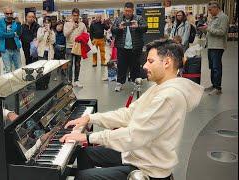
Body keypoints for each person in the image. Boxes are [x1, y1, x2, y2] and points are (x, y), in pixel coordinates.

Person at [59, 39, 204, 180]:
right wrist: (91, 118)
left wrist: (89, 137)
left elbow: (134, 136)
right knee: (85, 154)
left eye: (150, 61)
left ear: (167, 62)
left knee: (82, 177)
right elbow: (129, 114)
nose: (145, 66)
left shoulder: (170, 96)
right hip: (139, 154)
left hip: (149, 169)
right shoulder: (160, 87)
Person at [111, 2, 147, 92]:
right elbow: (113, 30)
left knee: (135, 65)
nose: (128, 13)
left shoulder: (139, 18)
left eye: (129, 11)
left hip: (135, 47)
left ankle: (135, 82)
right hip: (122, 47)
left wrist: (138, 26)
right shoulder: (118, 19)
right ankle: (119, 83)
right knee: (121, 66)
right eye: (126, 11)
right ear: (124, 10)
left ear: (133, 11)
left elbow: (145, 28)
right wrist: (119, 28)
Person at [197, 1, 229, 95]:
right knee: (212, 66)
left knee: (216, 67)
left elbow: (222, 32)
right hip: (211, 45)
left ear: (216, 8)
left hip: (218, 46)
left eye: (210, 10)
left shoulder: (223, 17)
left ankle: (218, 88)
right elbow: (210, 32)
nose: (209, 12)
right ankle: (214, 85)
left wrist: (208, 29)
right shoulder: (212, 18)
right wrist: (204, 30)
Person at [64, 8, 87, 88]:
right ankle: (69, 81)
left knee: (77, 64)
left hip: (79, 47)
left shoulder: (82, 24)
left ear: (79, 15)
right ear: (72, 15)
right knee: (69, 65)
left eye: (77, 15)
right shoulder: (67, 24)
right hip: (69, 47)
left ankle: (76, 80)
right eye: (74, 15)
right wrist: (72, 28)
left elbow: (86, 34)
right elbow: (65, 34)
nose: (76, 17)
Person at [0, 7, 22, 73]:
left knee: (19, 68)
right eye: (7, 13)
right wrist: (13, 34)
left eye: (10, 13)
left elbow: (19, 33)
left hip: (16, 49)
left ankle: (18, 83)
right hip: (5, 50)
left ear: (13, 13)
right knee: (8, 69)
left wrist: (19, 24)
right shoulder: (0, 23)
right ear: (4, 14)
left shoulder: (16, 22)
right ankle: (10, 83)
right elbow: (0, 35)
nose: (9, 15)